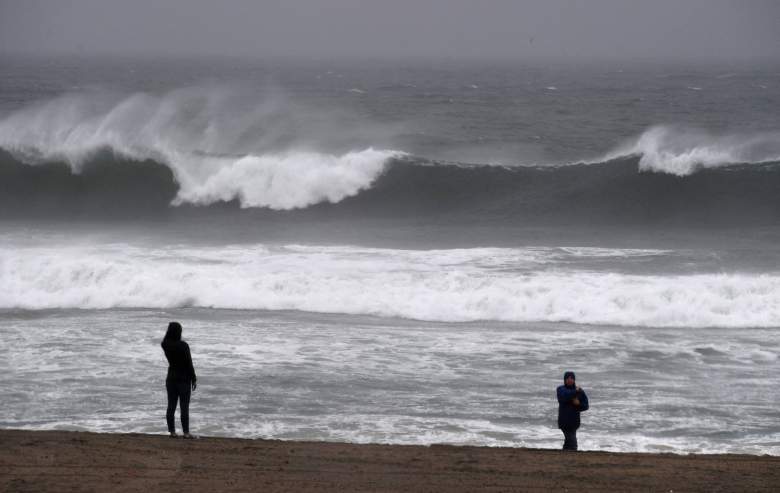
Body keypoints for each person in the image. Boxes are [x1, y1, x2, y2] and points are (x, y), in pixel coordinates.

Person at [161, 321, 197, 438]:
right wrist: (194, 378)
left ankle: (172, 432)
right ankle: (186, 433)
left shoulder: (165, 344)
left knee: (171, 406)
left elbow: (165, 340)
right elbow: (189, 363)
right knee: (184, 406)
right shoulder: (183, 346)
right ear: (179, 332)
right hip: (184, 379)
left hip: (171, 378)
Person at [556, 371, 588, 451]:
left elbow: (586, 406)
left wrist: (578, 404)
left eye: (571, 378)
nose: (569, 380)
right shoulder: (560, 389)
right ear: (565, 380)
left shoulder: (580, 391)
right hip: (564, 421)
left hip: (575, 422)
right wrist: (575, 392)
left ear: (574, 380)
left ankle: (565, 453)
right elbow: (563, 397)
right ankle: (572, 456)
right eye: (567, 378)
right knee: (573, 442)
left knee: (568, 441)